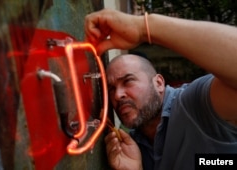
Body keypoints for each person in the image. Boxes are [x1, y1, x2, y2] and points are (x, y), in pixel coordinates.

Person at [84, 9, 237, 170]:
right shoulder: (131, 148)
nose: (117, 95)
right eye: (111, 88)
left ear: (159, 83)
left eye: (128, 81)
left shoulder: (194, 104)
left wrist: (143, 28)